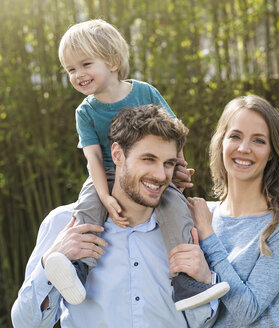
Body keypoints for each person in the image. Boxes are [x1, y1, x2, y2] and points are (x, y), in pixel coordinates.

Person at [46, 18, 228, 310]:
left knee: (176, 207)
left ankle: (184, 279)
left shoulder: (145, 93)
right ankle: (77, 268)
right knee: (87, 206)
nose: (78, 74)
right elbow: (92, 157)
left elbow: (173, 133)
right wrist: (104, 194)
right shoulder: (85, 112)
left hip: (148, 173)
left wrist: (176, 167)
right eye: (70, 69)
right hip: (106, 173)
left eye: (85, 64)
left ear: (113, 61)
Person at [11, 105, 228, 327]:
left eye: (168, 163)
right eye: (148, 159)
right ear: (117, 155)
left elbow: (203, 323)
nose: (161, 175)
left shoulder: (191, 227)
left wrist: (204, 278)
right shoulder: (63, 223)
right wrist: (51, 261)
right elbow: (26, 324)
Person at [169, 95, 279, 327]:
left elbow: (247, 311)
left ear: (272, 152)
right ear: (221, 142)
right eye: (235, 136)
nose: (244, 149)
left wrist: (208, 238)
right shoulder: (202, 214)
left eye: (259, 141)